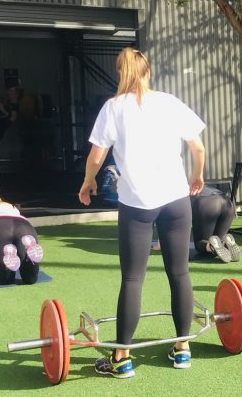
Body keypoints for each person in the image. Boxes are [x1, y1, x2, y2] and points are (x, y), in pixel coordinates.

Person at [78, 47, 206, 379]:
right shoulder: (169, 102)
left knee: (133, 278)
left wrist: (88, 182)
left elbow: (96, 156)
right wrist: (197, 175)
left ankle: (122, 358)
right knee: (179, 273)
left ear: (122, 74)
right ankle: (183, 350)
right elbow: (198, 147)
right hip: (176, 200)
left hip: (137, 204)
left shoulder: (113, 108)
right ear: (147, 72)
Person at [191, 185, 242, 263]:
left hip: (207, 203)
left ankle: (211, 246)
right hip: (226, 201)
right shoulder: (193, 182)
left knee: (200, 243)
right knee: (218, 240)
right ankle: (226, 243)